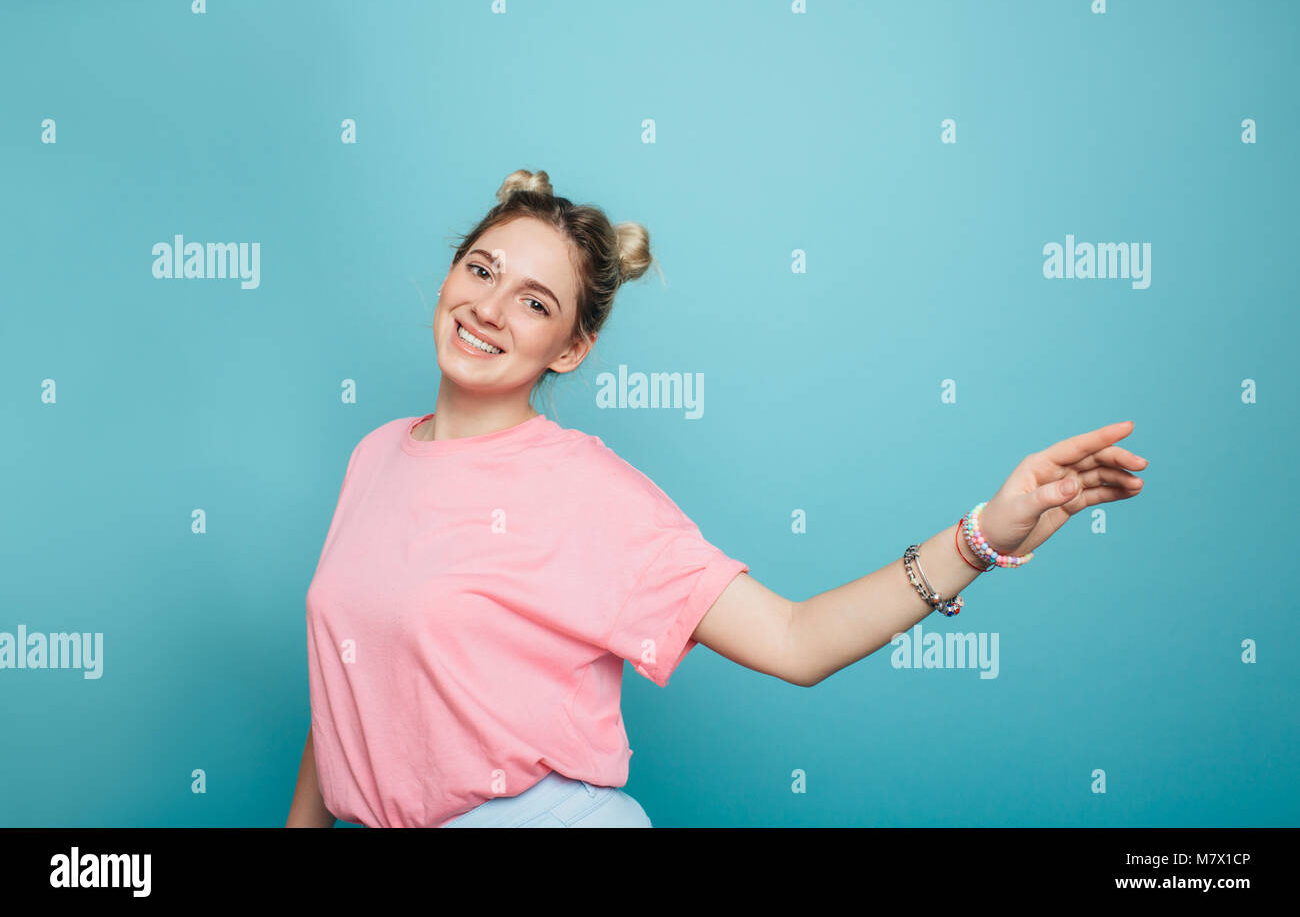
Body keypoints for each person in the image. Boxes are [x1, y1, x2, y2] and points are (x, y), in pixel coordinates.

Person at [285, 169, 1150, 828]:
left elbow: (794, 639)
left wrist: (981, 537)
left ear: (571, 349)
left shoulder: (585, 491)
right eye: (481, 269)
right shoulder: (374, 456)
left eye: (535, 301)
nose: (489, 308)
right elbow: (344, 693)